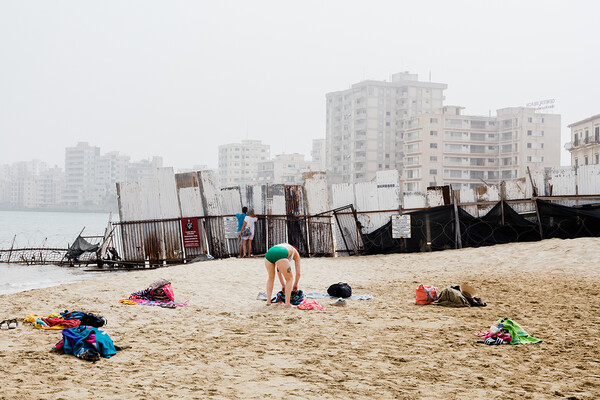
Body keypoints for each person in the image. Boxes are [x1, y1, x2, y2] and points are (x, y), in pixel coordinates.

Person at [264, 243, 301, 307]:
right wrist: (295, 284)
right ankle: (287, 304)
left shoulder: (285, 246)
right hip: (281, 252)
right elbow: (298, 273)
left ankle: (268, 302)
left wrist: (283, 285)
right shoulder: (296, 254)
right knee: (289, 279)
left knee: (271, 277)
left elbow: (279, 270)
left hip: (269, 252)